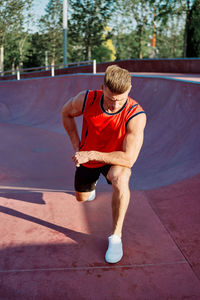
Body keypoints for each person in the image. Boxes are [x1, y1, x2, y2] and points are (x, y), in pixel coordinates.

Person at [62, 65, 146, 264]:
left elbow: (129, 159)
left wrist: (92, 154)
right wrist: (78, 146)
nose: (114, 105)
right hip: (88, 159)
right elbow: (65, 113)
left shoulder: (136, 114)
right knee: (82, 199)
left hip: (114, 159)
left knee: (121, 177)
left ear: (130, 90)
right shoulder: (87, 99)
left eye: (120, 100)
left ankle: (116, 237)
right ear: (102, 88)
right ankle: (90, 189)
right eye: (110, 98)